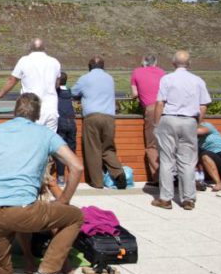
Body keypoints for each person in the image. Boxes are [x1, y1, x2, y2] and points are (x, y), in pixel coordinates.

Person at [0, 93, 84, 274]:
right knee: (75, 216)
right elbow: (76, 167)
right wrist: (64, 200)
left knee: (3, 268)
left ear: (14, 111)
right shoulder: (45, 134)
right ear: (37, 114)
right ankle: (47, 273)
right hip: (23, 209)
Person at [152, 50, 211, 210]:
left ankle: (165, 198)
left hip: (169, 119)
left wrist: (157, 125)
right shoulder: (197, 80)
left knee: (166, 160)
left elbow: (159, 103)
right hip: (189, 121)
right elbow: (203, 105)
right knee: (187, 161)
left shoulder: (167, 79)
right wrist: (197, 122)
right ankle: (188, 199)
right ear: (189, 63)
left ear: (173, 63)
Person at [72, 56, 126, 189]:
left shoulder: (85, 78)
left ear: (89, 66)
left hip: (92, 117)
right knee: (108, 148)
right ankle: (118, 173)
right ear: (103, 66)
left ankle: (97, 182)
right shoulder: (110, 78)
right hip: (109, 117)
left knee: (93, 150)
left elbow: (73, 92)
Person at [0, 38, 61, 132]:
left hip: (30, 108)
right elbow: (57, 84)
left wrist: (1, 93)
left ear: (30, 48)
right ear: (45, 48)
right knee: (49, 142)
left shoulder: (24, 60)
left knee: (30, 140)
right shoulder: (54, 62)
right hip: (50, 108)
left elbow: (12, 79)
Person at [130, 54, 165, 184]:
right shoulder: (162, 72)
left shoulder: (136, 72)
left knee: (152, 146)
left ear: (143, 63)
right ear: (155, 63)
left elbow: (134, 94)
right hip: (167, 109)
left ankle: (158, 178)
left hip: (152, 110)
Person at [55, 71, 76, 186]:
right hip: (71, 122)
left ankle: (61, 177)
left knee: (60, 150)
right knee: (71, 149)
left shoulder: (56, 92)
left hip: (61, 121)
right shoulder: (70, 92)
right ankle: (73, 174)